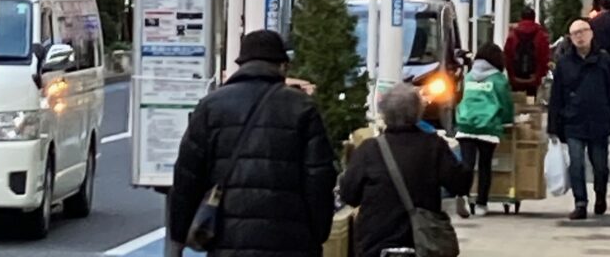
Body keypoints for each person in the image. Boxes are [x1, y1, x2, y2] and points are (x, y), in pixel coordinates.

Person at [169, 29, 337, 257]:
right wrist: (317, 233)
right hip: (289, 239)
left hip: (228, 239)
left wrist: (179, 237)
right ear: (282, 65)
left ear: (242, 64)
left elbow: (187, 176)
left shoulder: (211, 106)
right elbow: (319, 177)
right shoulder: (302, 107)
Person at [339, 83, 471, 257]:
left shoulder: (368, 149)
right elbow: (460, 184)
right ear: (418, 111)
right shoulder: (433, 145)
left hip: (375, 241)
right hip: (423, 241)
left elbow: (349, 194)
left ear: (384, 113)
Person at [548, 19, 610, 221]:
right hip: (573, 121)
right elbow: (556, 96)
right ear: (570, 38)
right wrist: (553, 126)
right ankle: (580, 202)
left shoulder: (603, 60)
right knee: (576, 163)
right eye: (575, 33)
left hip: (599, 120)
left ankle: (600, 195)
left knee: (600, 166)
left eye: (583, 31)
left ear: (591, 33)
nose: (579, 36)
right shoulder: (564, 63)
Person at [454, 42, 514, 216]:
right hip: (488, 126)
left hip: (465, 124)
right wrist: (507, 121)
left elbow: (460, 97)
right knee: (485, 166)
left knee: (467, 165)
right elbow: (506, 104)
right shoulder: (498, 80)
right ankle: (481, 203)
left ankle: (463, 195)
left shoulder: (469, 77)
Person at [504, 6, 551, 95]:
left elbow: (507, 56)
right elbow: (545, 57)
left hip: (515, 78)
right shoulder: (541, 35)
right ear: (534, 18)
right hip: (534, 79)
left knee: (516, 101)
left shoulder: (513, 34)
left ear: (521, 18)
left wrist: (511, 74)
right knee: (532, 101)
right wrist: (540, 75)